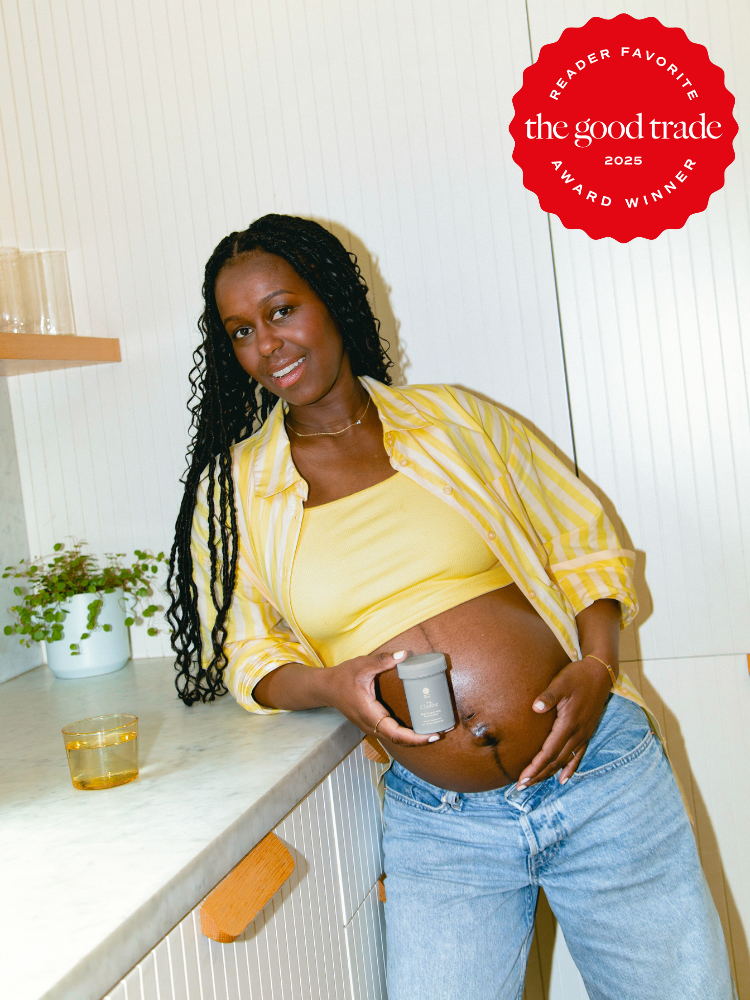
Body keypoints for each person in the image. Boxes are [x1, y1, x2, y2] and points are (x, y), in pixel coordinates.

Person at [167, 214, 736, 1000]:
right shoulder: (235, 492)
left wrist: (599, 664)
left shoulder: (456, 421)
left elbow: (584, 544)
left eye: (281, 310)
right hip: (443, 826)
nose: (266, 344)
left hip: (600, 773)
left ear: (330, 301)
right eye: (239, 330)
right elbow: (250, 657)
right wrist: (333, 687)